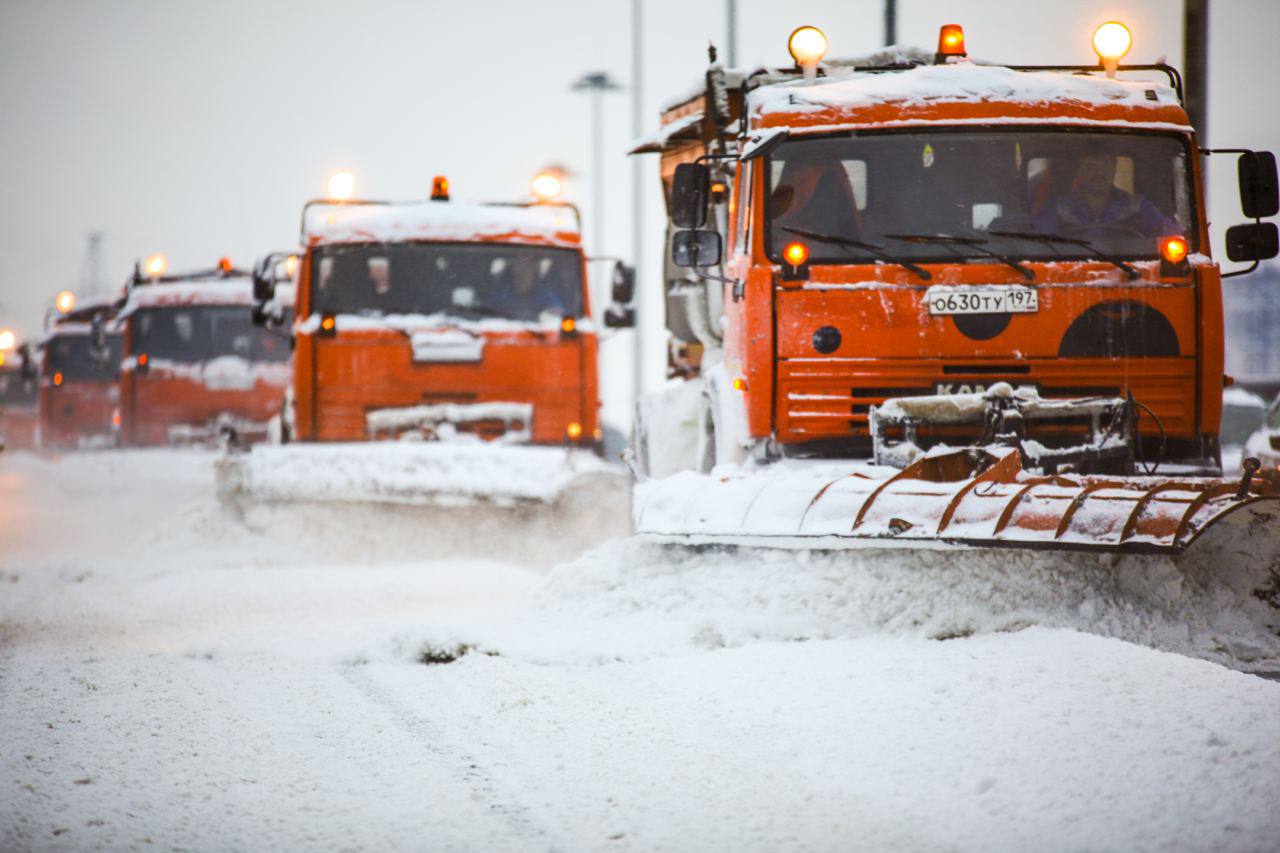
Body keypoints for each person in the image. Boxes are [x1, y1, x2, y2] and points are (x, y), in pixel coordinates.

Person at [1034, 151, 1179, 237]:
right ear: (1080, 171)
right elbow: (1040, 244)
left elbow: (1170, 234)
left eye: (1104, 165)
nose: (1098, 173)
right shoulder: (1058, 208)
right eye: (1091, 166)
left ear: (1114, 168)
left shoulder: (1137, 207)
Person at [493, 252, 567, 320]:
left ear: (534, 269)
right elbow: (487, 315)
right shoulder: (500, 294)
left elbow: (558, 313)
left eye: (527, 266)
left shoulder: (546, 295)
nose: (523, 271)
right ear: (513, 268)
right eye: (519, 265)